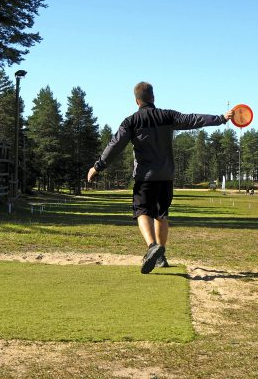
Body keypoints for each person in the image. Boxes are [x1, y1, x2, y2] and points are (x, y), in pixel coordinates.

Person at [87, 82, 233, 274]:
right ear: (153, 98)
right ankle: (161, 258)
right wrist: (221, 118)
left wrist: (98, 166)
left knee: (142, 211)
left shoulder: (131, 121)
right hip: (166, 176)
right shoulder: (167, 116)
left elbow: (115, 145)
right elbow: (193, 119)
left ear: (137, 101)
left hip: (145, 177)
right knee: (161, 214)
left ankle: (151, 247)